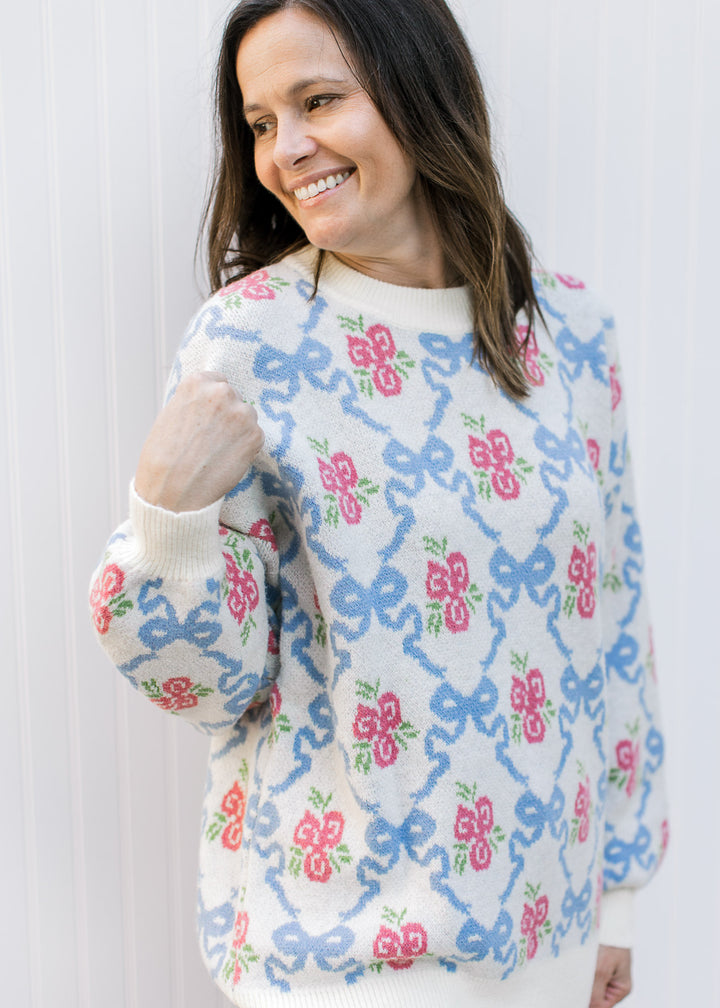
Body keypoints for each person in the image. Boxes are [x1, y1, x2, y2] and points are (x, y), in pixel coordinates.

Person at [89, 1, 668, 1005]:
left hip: (550, 927)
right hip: (345, 946)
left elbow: (611, 626)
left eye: (318, 101)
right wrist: (166, 522)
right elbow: (211, 690)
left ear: (421, 91)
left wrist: (616, 898)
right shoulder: (249, 342)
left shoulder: (571, 331)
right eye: (261, 121)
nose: (287, 149)